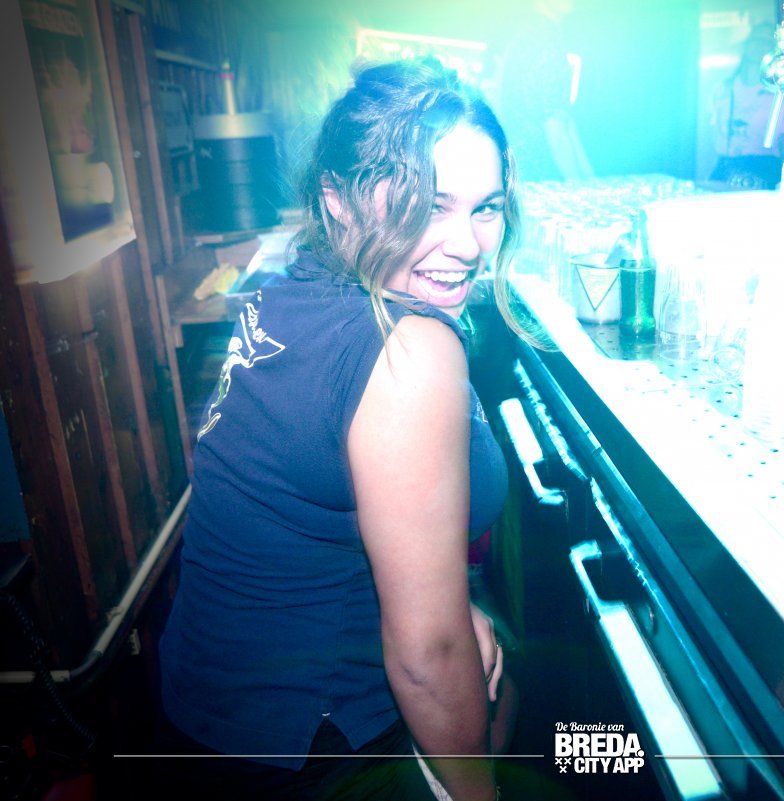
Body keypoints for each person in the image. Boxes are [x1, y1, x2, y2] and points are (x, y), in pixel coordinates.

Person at [155, 58, 519, 801]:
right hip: (305, 751)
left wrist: (450, 600)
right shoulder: (409, 350)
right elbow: (427, 656)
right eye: (428, 205)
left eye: (485, 207)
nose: (467, 244)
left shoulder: (288, 289)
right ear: (338, 201)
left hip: (203, 721)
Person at [495, 0, 593, 182]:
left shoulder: (528, 34)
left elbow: (562, 117)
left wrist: (587, 174)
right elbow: (555, 127)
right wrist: (579, 183)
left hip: (524, 169)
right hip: (543, 173)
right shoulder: (545, 40)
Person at [708, 22, 784, 190]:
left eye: (767, 41)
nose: (760, 45)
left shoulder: (781, 91)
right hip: (725, 169)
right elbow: (711, 136)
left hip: (763, 169)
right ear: (746, 44)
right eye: (756, 39)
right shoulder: (723, 88)